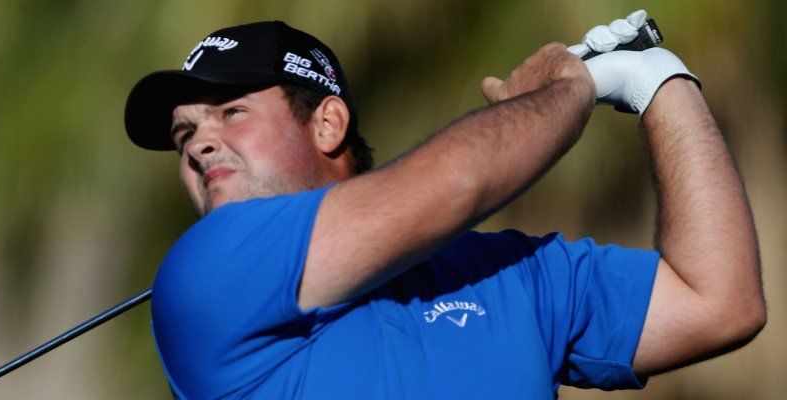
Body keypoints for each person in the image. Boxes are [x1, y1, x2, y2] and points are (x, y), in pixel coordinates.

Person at [124, 11, 766, 399]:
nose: (199, 143)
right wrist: (570, 90)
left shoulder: (508, 272)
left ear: (327, 124)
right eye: (185, 134)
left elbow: (719, 303)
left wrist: (659, 81)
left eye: (232, 112)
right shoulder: (205, 271)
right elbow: (460, 181)